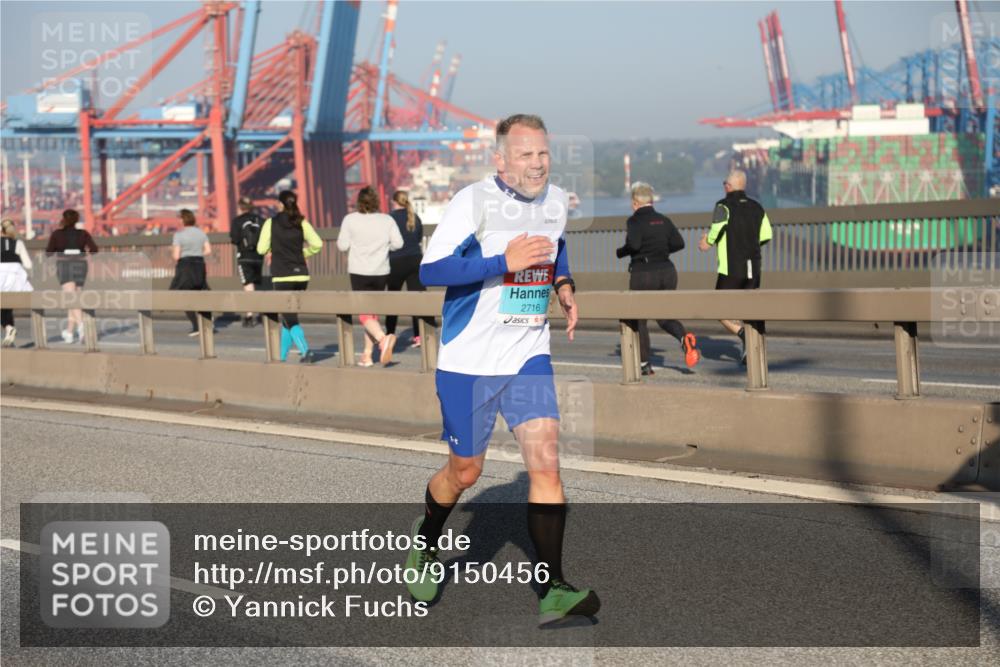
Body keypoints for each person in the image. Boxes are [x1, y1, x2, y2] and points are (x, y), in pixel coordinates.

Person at [403, 114, 599, 627]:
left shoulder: (556, 201)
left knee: (547, 465)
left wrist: (564, 285)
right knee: (465, 472)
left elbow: (555, 247)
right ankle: (425, 545)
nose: (537, 164)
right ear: (501, 160)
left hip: (528, 352)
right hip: (470, 361)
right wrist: (501, 261)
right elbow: (431, 269)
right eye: (525, 155)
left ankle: (552, 589)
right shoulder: (473, 202)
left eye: (543, 153)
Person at [616, 181, 700, 375]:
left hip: (644, 274)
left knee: (639, 320)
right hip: (668, 272)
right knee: (665, 317)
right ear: (651, 201)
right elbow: (679, 243)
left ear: (635, 202)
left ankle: (645, 364)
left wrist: (621, 252)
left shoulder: (634, 221)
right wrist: (661, 250)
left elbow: (635, 245)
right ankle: (684, 338)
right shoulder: (663, 220)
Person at [698, 169, 773, 364]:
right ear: (744, 185)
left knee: (717, 308)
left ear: (727, 186)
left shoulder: (723, 205)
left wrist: (707, 242)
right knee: (752, 309)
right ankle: (754, 348)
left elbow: (717, 229)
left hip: (731, 267)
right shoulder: (758, 207)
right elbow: (766, 235)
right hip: (754, 266)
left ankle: (743, 335)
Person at [337, 186, 403, 367]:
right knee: (371, 313)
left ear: (359, 201)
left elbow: (342, 246)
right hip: (381, 271)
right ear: (376, 201)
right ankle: (367, 355)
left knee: (364, 314)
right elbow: (398, 243)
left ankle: (382, 339)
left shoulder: (350, 219)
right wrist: (383, 249)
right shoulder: (387, 220)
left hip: (359, 271)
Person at [257, 189, 322, 363]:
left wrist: (273, 250)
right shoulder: (301, 222)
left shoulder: (271, 223)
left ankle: (305, 351)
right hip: (301, 276)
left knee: (289, 318)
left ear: (280, 204)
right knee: (288, 317)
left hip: (282, 276)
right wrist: (304, 254)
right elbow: (317, 244)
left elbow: (261, 249)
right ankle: (281, 357)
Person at [45, 209, 98, 344]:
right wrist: (82, 254)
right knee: (75, 299)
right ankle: (69, 332)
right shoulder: (83, 234)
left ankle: (82, 327)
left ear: (64, 219)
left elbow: (49, 252)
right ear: (76, 220)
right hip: (80, 266)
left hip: (65, 266)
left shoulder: (57, 234)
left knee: (71, 299)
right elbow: (94, 249)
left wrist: (59, 251)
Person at [386, 190, 429, 348]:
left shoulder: (390, 218)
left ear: (394, 202)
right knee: (417, 299)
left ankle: (389, 334)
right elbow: (418, 238)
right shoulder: (415, 217)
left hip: (396, 261)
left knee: (392, 299)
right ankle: (419, 336)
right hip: (415, 260)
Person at [169, 209, 214, 336]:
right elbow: (208, 250)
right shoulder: (201, 233)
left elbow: (176, 256)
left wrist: (177, 252)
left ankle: (196, 326)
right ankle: (207, 321)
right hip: (199, 265)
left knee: (185, 297)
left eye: (179, 218)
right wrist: (198, 254)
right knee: (200, 293)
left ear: (183, 219)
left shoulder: (179, 235)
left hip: (185, 266)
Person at [229, 196, 265, 327]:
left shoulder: (237, 221)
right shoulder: (261, 220)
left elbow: (234, 239)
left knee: (248, 285)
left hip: (244, 256)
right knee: (256, 284)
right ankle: (261, 313)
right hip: (259, 256)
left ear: (240, 207)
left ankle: (250, 316)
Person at [0, 219, 34, 347]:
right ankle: (10, 333)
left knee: (3, 307)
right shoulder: (18, 243)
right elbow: (28, 265)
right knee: (7, 307)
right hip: (15, 278)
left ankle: (9, 328)